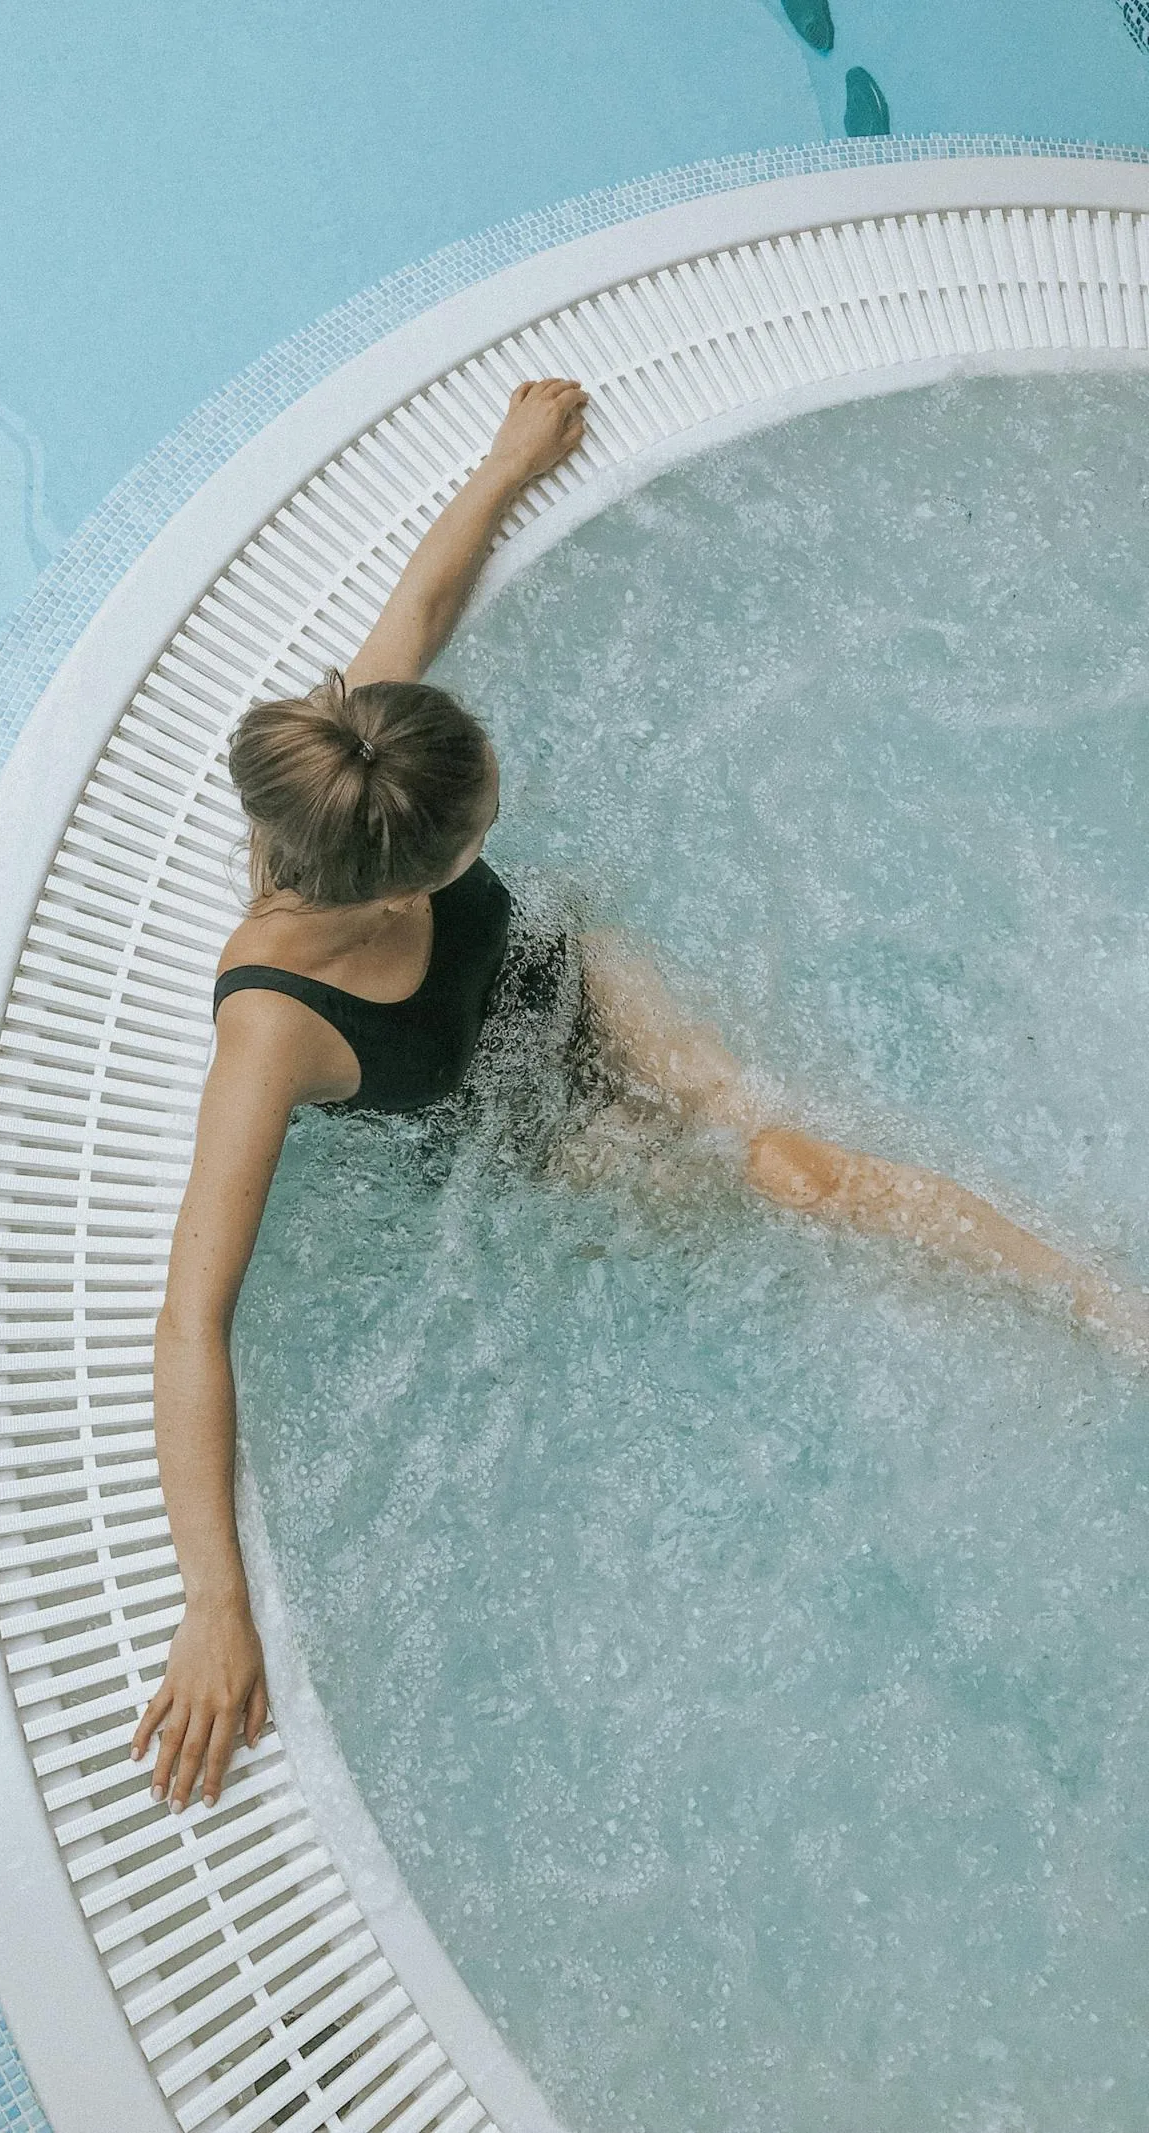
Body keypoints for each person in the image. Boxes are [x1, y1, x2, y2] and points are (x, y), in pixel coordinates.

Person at [131, 377, 1149, 1814]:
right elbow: (193, 1314)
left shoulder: (347, 769)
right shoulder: (273, 1030)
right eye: (479, 832)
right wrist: (213, 1600)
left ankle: (1101, 1302)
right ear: (409, 875)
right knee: (711, 1207)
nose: (495, 830)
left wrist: (501, 469)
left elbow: (412, 613)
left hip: (584, 980)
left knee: (793, 1166)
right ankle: (994, 1307)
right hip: (518, 1130)